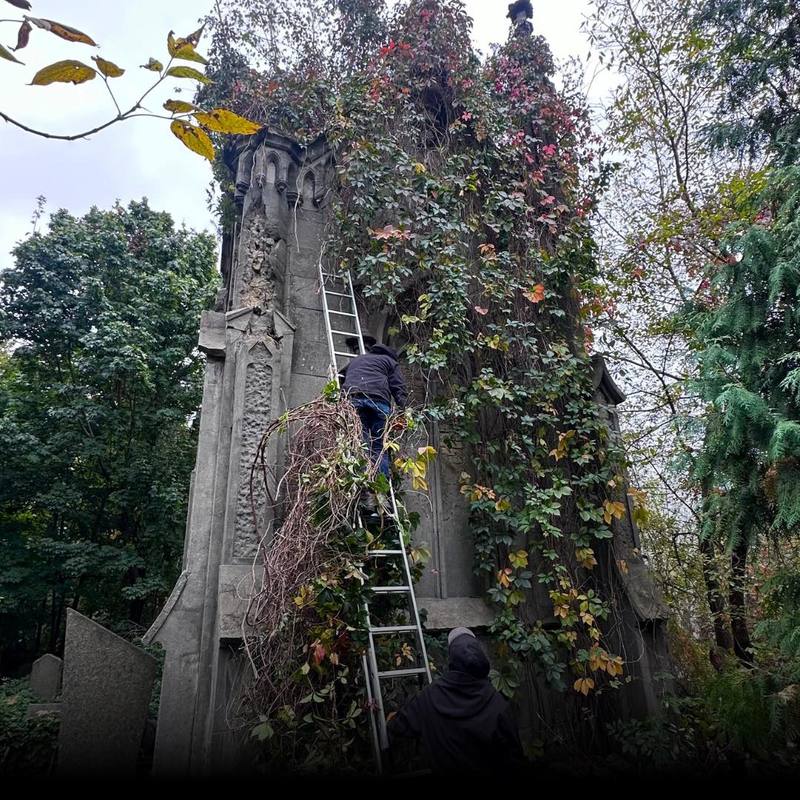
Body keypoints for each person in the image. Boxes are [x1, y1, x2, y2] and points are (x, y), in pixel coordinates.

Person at [386, 627, 526, 775]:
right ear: (481, 657)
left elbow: (398, 726)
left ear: (452, 658)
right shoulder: (498, 705)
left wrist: (391, 718)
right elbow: (514, 761)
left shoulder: (429, 697)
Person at [339, 338, 407, 479]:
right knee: (379, 445)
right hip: (378, 402)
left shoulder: (357, 360)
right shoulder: (390, 362)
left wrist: (341, 396)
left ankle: (363, 479)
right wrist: (404, 410)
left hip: (354, 399)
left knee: (361, 442)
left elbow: (341, 375)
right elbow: (398, 387)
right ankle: (379, 482)